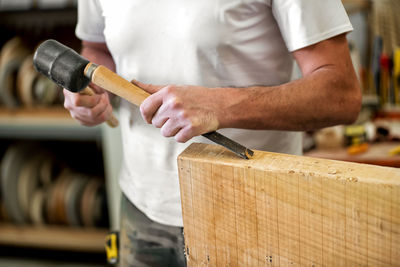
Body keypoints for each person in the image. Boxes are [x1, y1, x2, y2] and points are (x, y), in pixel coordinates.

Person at [65, 0, 361, 266]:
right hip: (141, 210)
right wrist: (92, 88)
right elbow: (97, 47)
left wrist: (219, 107)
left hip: (254, 219)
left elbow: (341, 94)